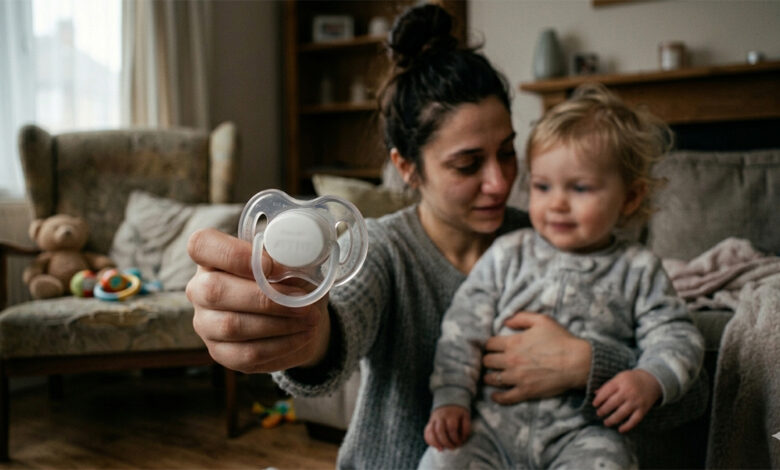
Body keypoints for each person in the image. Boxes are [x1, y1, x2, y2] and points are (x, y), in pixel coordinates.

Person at [186, 5, 703, 469]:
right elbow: (340, 324)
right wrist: (301, 326)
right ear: (407, 168)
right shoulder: (383, 248)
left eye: (506, 152)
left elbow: (692, 392)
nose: (502, 183)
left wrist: (586, 364)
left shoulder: (554, 237)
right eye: (467, 163)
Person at [419, 84, 706, 469]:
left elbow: (677, 335)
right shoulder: (507, 253)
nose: (556, 203)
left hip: (584, 434)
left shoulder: (639, 268)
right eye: (542, 186)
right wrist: (450, 399)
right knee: (443, 459)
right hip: (491, 428)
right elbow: (461, 329)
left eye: (580, 188)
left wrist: (648, 378)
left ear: (630, 197)